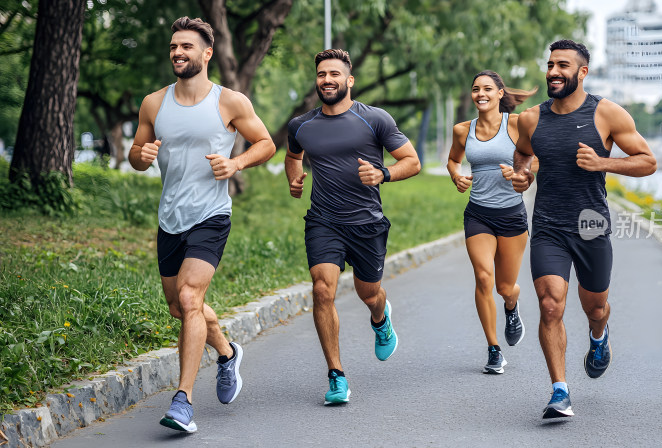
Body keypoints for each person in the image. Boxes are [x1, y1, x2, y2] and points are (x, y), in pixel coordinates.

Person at [128, 17, 276, 432]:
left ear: (206, 53)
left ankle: (183, 402)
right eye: (174, 47)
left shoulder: (230, 102)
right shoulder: (154, 103)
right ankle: (228, 354)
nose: (178, 53)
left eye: (186, 47)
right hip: (169, 218)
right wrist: (141, 157)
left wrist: (236, 162)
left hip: (211, 214)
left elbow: (265, 143)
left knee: (192, 298)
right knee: (178, 307)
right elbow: (137, 154)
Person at [508, 40, 656, 419]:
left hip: (591, 225)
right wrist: (523, 176)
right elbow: (523, 153)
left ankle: (599, 335)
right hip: (548, 225)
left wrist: (604, 164)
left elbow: (647, 162)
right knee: (550, 303)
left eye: (563, 66)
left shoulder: (606, 114)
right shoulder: (531, 119)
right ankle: (560, 391)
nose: (553, 72)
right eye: (550, 65)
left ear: (582, 72)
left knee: (596, 307)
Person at [284, 49, 421, 405]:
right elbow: (292, 155)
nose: (326, 80)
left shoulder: (374, 119)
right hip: (323, 221)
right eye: (321, 74)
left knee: (369, 293)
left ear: (349, 80)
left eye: (334, 74)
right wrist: (294, 179)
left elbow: (413, 161)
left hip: (366, 223)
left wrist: (383, 173)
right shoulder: (302, 125)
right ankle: (336, 376)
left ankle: (380, 317)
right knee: (322, 290)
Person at [446, 71, 536, 374]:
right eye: (475, 89)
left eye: (487, 89)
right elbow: (453, 160)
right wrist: (456, 175)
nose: (480, 93)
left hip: (511, 214)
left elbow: (535, 157)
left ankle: (512, 307)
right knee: (483, 277)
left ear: (500, 94)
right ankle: (494, 349)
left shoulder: (516, 123)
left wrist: (521, 173)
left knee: (505, 286)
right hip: (478, 214)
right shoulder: (462, 130)